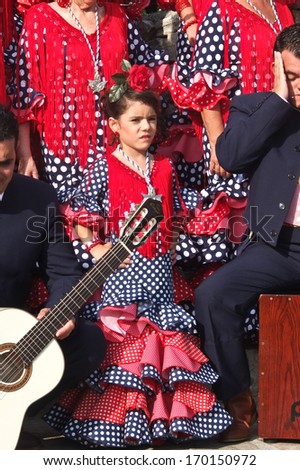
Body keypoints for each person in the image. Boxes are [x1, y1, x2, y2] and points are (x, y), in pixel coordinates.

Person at [43, 63, 233, 448]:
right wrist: (97, 247)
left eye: (151, 119)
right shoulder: (103, 167)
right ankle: (123, 424)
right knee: (129, 353)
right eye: (135, 120)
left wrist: (175, 238)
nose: (145, 127)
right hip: (119, 282)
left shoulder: (164, 166)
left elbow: (175, 211)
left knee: (164, 350)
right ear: (114, 124)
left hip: (160, 277)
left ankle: (164, 423)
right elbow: (77, 211)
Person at [161, 0, 296, 343]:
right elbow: (204, 81)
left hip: (279, 131)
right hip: (249, 123)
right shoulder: (222, 9)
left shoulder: (280, 8)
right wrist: (219, 139)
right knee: (244, 233)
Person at [195, 23, 300, 443]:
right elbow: (231, 155)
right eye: (293, 74)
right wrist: (280, 97)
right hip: (279, 247)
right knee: (214, 294)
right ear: (277, 68)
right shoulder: (255, 107)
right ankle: (237, 402)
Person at [0, 104, 107, 447]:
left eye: (4, 163)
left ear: (16, 154)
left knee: (88, 342)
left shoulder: (39, 197)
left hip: (9, 337)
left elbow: (62, 272)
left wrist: (60, 309)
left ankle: (11, 415)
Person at [11, 0, 169, 203]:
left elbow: (148, 68)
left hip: (116, 141)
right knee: (76, 221)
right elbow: (25, 90)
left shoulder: (118, 16)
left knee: (119, 214)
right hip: (64, 146)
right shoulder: (40, 18)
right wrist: (25, 155)